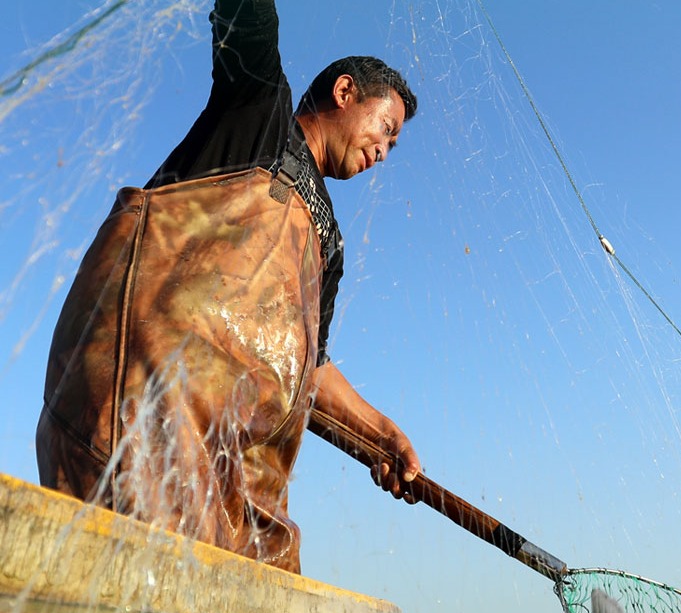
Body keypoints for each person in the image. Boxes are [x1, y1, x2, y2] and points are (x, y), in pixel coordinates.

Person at [35, 0, 420, 575]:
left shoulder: (330, 245)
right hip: (142, 420)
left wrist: (379, 434)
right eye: (385, 129)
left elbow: (308, 371)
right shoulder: (258, 110)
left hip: (235, 471)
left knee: (269, 582)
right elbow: (250, 17)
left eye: (393, 145)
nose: (384, 152)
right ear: (344, 93)